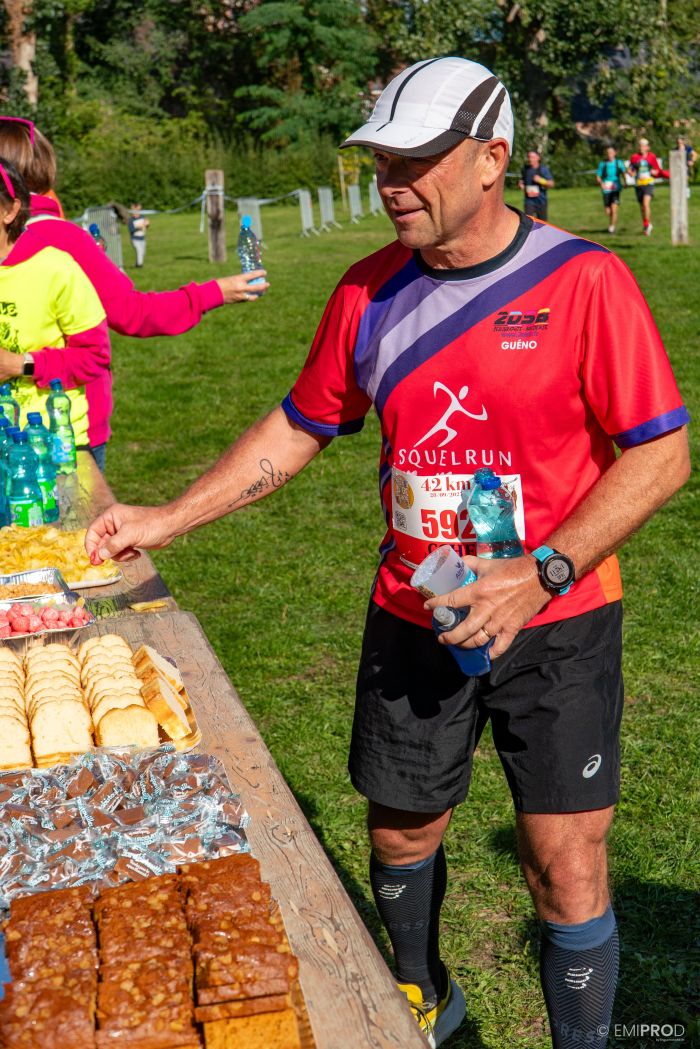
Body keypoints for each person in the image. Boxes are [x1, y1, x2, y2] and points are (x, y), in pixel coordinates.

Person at [84, 56, 690, 1049]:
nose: (391, 180)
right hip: (416, 611)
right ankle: (424, 1000)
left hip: (559, 619)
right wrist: (165, 517)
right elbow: (300, 424)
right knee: (400, 830)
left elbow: (661, 452)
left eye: (416, 158)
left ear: (492, 158)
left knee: (563, 861)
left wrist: (543, 568)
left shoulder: (586, 282)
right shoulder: (367, 293)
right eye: (380, 160)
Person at [0, 117, 268, 339]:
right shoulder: (62, 238)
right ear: (40, 167)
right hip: (60, 398)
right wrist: (214, 292)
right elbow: (133, 313)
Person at [0, 157, 111, 467]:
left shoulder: (55, 269)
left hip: (52, 448)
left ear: (11, 210)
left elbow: (94, 357)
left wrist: (19, 364)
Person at [627, 137, 668, 236]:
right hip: (638, 184)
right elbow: (630, 169)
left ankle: (646, 225)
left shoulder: (651, 157)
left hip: (649, 183)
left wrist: (655, 172)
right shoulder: (634, 157)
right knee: (642, 207)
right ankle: (646, 224)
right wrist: (629, 172)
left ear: (647, 147)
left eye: (643, 146)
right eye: (640, 145)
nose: (641, 147)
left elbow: (657, 169)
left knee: (646, 204)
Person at [596, 146, 627, 233]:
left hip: (616, 188)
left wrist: (625, 182)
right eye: (608, 153)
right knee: (608, 211)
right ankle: (611, 221)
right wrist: (601, 184)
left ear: (614, 153)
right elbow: (598, 176)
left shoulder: (619, 163)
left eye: (611, 153)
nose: (609, 155)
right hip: (606, 189)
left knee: (614, 209)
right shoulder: (603, 164)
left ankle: (612, 227)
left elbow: (623, 173)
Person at [518, 149, 554, 220]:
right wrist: (521, 185)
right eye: (529, 157)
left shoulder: (543, 169)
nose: (530, 159)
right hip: (529, 201)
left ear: (538, 158)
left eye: (532, 157)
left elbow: (551, 184)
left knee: (542, 225)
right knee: (528, 222)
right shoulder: (525, 169)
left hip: (541, 201)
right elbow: (523, 182)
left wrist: (541, 180)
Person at [128, 203, 149, 267]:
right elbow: (131, 230)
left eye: (137, 211)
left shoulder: (142, 217)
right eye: (134, 212)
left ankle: (137, 264)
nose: (135, 213)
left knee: (143, 252)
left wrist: (147, 224)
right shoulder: (131, 220)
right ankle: (140, 265)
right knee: (139, 251)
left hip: (142, 238)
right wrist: (138, 227)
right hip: (134, 239)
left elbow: (146, 226)